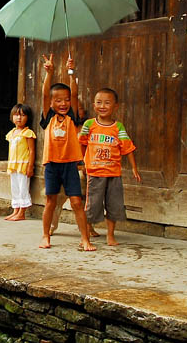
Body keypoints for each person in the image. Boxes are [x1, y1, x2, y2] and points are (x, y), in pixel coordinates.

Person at [38, 53, 95, 252]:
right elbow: (45, 94)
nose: (63, 103)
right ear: (52, 104)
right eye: (58, 101)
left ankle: (85, 239)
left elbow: (75, 94)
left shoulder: (72, 116)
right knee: (50, 201)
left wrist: (71, 72)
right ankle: (46, 235)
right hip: (52, 164)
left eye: (65, 100)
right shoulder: (49, 117)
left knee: (77, 202)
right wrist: (50, 73)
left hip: (70, 164)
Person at [78, 87, 141, 245]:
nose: (103, 106)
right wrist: (82, 162)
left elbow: (127, 148)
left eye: (107, 103)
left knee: (114, 205)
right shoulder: (89, 124)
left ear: (116, 106)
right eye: (99, 102)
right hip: (95, 173)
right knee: (92, 205)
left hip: (114, 174)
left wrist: (134, 168)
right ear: (94, 105)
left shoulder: (118, 127)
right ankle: (86, 234)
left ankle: (110, 235)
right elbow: (81, 144)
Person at [4, 103, 36, 221]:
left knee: (23, 187)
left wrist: (30, 166)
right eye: (16, 115)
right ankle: (15, 210)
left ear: (27, 118)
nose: (19, 118)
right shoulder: (11, 133)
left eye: (22, 115)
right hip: (13, 164)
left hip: (23, 164)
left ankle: (22, 212)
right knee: (15, 187)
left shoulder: (27, 133)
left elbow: (32, 151)